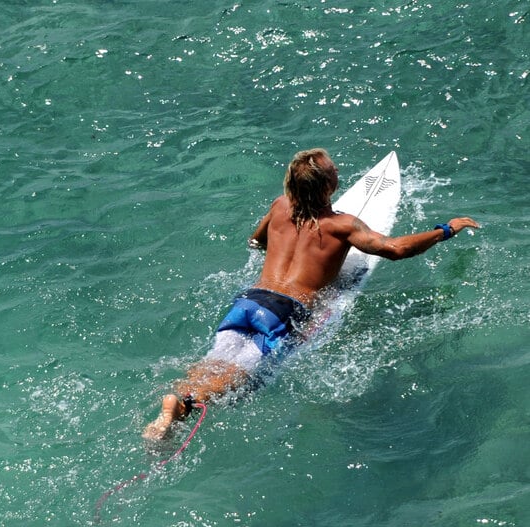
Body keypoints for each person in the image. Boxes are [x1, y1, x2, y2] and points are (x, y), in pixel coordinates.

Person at [142, 148, 480, 440]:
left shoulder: (278, 207)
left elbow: (256, 241)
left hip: (249, 301)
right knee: (244, 379)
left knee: (216, 360)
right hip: (284, 312)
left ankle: (180, 399)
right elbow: (394, 249)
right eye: (334, 170)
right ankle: (185, 404)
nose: (338, 171)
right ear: (328, 185)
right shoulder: (341, 225)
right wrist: (446, 229)